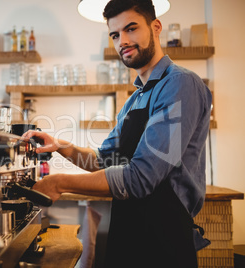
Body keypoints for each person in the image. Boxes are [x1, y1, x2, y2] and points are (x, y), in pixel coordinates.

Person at [22, 0, 212, 267]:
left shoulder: (179, 83)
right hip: (128, 234)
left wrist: (59, 183)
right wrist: (60, 145)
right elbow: (104, 160)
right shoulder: (134, 100)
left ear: (156, 27)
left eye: (131, 29)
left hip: (165, 243)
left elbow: (141, 177)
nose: (122, 40)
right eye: (115, 34)